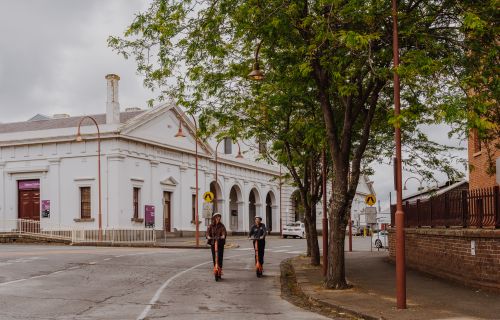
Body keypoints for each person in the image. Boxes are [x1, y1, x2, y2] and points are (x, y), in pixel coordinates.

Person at [206, 212, 227, 279]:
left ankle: (220, 270)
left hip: (220, 243)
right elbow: (207, 232)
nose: (218, 218)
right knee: (214, 257)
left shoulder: (222, 225)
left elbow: (224, 231)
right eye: (216, 217)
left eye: (219, 217)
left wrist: (223, 235)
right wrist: (208, 236)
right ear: (214, 218)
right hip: (213, 242)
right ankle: (215, 268)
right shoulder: (211, 226)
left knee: (220, 257)